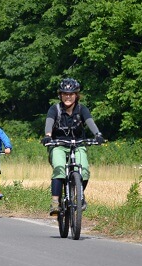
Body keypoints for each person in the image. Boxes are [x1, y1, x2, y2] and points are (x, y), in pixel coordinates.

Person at [41, 78, 104, 216]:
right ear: (60, 95)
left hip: (78, 144)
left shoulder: (82, 109)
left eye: (71, 94)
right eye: (64, 94)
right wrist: (47, 135)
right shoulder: (55, 109)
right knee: (59, 169)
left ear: (76, 95)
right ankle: (55, 202)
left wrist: (97, 134)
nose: (68, 97)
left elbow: (90, 122)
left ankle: (78, 196)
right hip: (58, 144)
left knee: (85, 171)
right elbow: (49, 123)